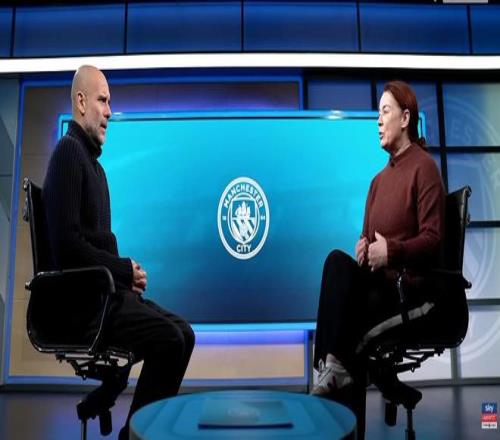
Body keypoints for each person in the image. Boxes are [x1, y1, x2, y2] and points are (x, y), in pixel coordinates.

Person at [42, 65, 195, 439]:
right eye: (103, 100)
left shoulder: (95, 169)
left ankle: (135, 427)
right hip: (84, 307)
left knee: (185, 334)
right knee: (169, 340)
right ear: (81, 102)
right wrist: (123, 270)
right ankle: (134, 436)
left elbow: (95, 247)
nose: (110, 111)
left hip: (105, 295)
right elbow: (67, 247)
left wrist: (126, 275)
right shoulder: (68, 153)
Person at [311, 80, 445, 438]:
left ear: (406, 118)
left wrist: (392, 252)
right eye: (378, 114)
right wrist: (364, 249)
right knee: (336, 262)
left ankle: (335, 382)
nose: (378, 121)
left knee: (351, 332)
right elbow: (368, 238)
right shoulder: (377, 182)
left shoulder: (424, 168)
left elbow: (434, 240)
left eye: (385, 112)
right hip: (375, 285)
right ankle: (326, 368)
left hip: (406, 291)